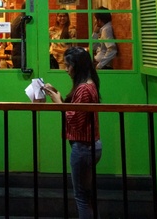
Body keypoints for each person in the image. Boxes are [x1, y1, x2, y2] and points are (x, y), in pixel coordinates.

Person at [43, 47, 102, 219]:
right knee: (87, 195)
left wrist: (59, 103)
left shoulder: (84, 89)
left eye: (68, 66)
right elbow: (77, 111)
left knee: (82, 197)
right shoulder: (89, 84)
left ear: (77, 67)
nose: (66, 70)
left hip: (84, 147)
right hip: (90, 145)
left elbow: (76, 121)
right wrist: (58, 96)